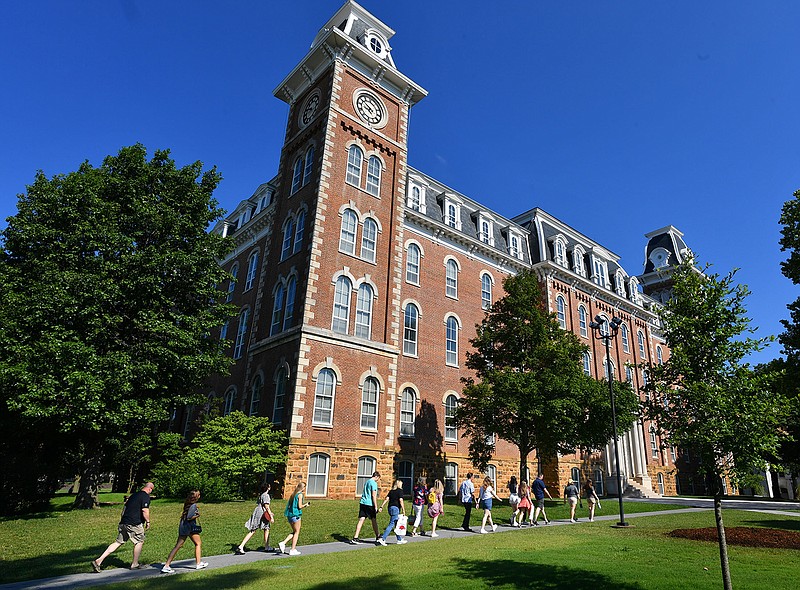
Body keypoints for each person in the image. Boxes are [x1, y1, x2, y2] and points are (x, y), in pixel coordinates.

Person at [91, 482, 154, 572]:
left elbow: (124, 509)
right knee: (139, 541)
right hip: (134, 523)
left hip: (124, 522)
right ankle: (135, 564)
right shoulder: (145, 496)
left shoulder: (133, 495)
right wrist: (148, 521)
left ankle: (98, 561)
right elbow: (144, 510)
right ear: (150, 489)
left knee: (118, 542)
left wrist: (123, 520)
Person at [161, 490, 207, 573]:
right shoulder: (193, 505)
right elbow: (189, 517)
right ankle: (198, 563)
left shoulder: (187, 504)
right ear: (197, 497)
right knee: (196, 544)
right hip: (189, 527)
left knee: (179, 545)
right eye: (199, 495)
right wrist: (197, 515)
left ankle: (167, 565)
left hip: (184, 526)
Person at [235, 482, 274, 554]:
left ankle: (242, 546)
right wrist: (271, 516)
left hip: (258, 512)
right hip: (261, 513)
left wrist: (270, 513)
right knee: (264, 528)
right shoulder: (266, 495)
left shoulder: (261, 495)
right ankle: (266, 546)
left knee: (263, 529)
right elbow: (266, 506)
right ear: (267, 488)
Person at [278, 482, 310, 556]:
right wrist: (306, 505)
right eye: (304, 487)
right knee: (297, 532)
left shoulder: (293, 494)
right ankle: (292, 549)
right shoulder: (300, 495)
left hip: (290, 515)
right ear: (302, 487)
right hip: (296, 515)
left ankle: (283, 543)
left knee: (295, 531)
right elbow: (299, 506)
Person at [350, 471, 381, 544]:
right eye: (378, 479)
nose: (378, 480)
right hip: (369, 504)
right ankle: (378, 536)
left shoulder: (367, 482)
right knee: (374, 520)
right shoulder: (373, 483)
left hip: (363, 503)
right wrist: (376, 506)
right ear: (376, 476)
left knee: (361, 519)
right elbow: (374, 495)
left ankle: (355, 537)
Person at [377, 479, 407, 545]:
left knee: (396, 524)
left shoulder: (391, 491)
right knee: (391, 524)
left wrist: (381, 506)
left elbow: (386, 499)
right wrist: (403, 510)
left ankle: (399, 539)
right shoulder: (400, 491)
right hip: (396, 508)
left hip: (390, 508)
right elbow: (401, 500)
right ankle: (383, 539)